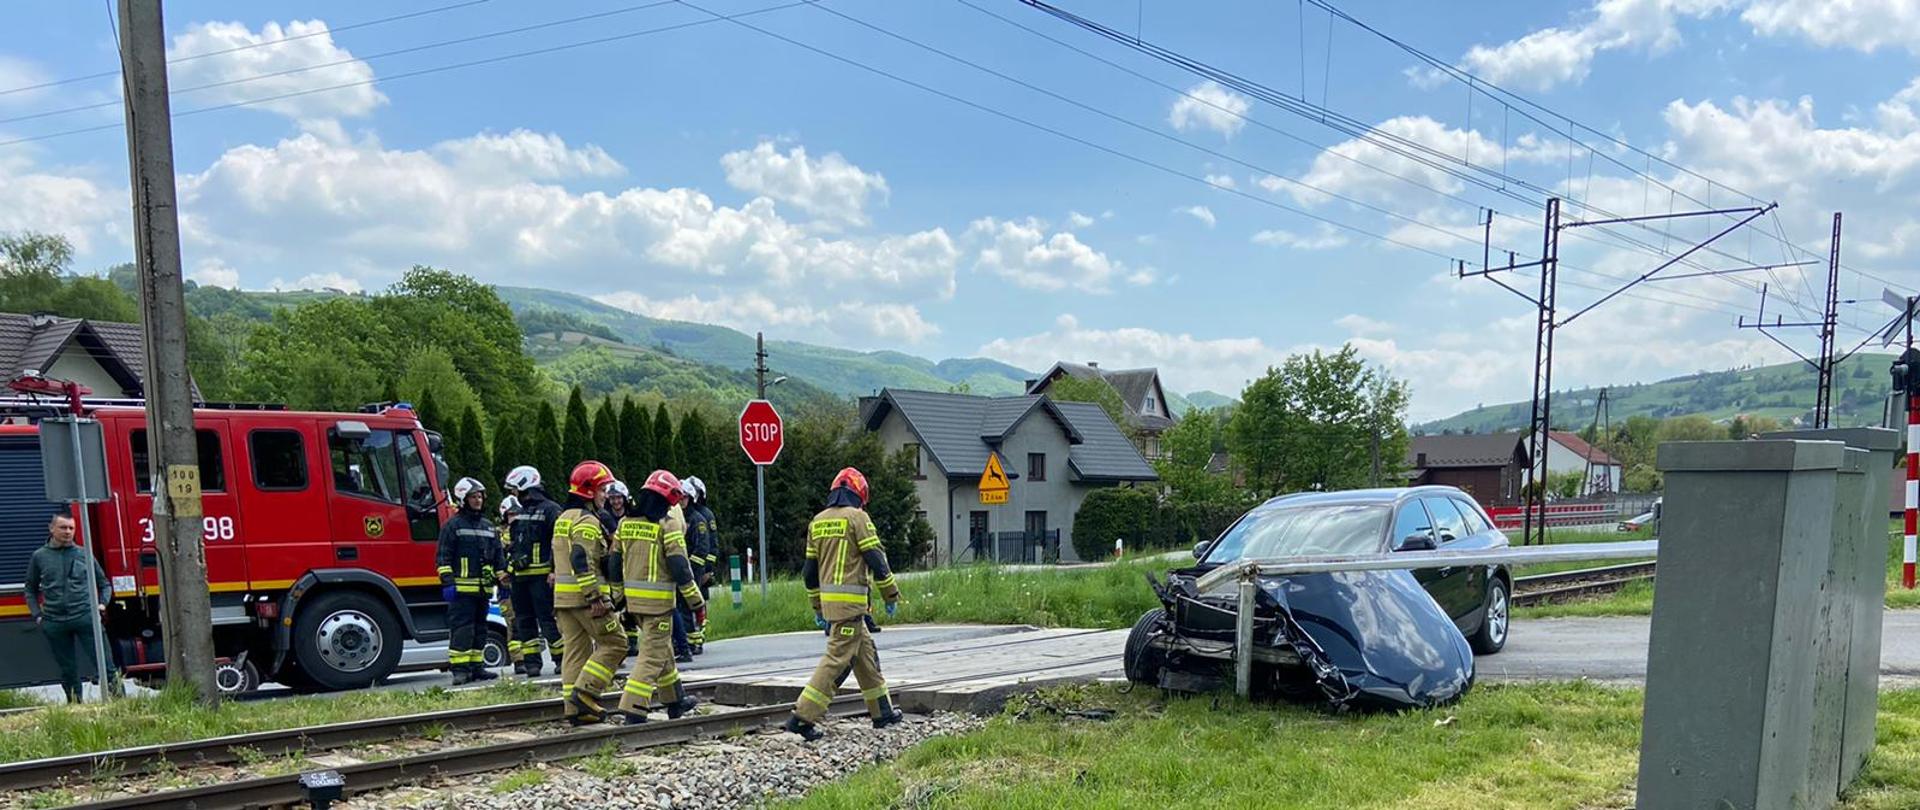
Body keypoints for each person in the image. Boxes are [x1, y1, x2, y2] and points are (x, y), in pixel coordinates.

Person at [784, 467, 904, 741]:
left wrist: (817, 607)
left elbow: (809, 572)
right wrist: (890, 594)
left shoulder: (818, 522)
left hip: (831, 606)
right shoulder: (857, 518)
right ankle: (801, 718)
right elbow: (875, 557)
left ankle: (882, 712)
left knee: (865, 656)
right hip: (851, 605)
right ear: (860, 494)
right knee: (836, 661)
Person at [614, 470, 705, 724]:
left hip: (633, 604)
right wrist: (696, 601)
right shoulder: (668, 524)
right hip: (658, 606)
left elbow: (614, 562)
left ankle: (676, 700)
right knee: (652, 657)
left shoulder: (625, 523)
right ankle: (633, 708)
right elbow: (680, 567)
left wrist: (618, 596)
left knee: (662, 650)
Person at [553, 461, 628, 725]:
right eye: (602, 490)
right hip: (585, 600)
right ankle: (586, 693)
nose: (605, 495)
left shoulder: (562, 519)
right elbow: (580, 556)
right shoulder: (586, 521)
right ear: (588, 491)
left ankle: (574, 710)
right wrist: (594, 596)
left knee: (575, 651)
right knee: (617, 642)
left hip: (563, 600)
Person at [24, 514, 111, 703]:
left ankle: (120, 704)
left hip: (85, 616)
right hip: (54, 621)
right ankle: (75, 706)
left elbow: (104, 583)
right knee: (68, 670)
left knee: (105, 665)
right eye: (63, 528)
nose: (68, 532)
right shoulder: (40, 556)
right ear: (52, 529)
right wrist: (37, 615)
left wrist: (102, 604)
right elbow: (30, 588)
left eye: (71, 528)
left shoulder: (84, 554)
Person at [438, 477, 508, 685]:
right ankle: (460, 670)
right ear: (462, 499)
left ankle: (477, 667)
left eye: (480, 497)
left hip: (483, 589)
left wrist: (503, 580)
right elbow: (443, 556)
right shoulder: (453, 526)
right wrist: (448, 582)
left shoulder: (488, 526)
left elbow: (498, 556)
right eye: (473, 497)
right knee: (462, 629)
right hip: (461, 590)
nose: (478, 501)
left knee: (481, 629)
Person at [504, 465, 562, 677]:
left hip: (542, 577)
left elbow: (559, 543)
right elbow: (515, 544)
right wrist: (510, 568)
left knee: (548, 619)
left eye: (514, 489)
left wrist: (555, 570)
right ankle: (532, 664)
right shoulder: (518, 511)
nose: (513, 493)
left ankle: (561, 659)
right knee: (524, 621)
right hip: (520, 579)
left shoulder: (550, 509)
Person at [605, 480, 641, 658]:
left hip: (630, 562)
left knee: (631, 603)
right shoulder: (604, 516)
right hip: (613, 563)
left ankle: (633, 641)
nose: (615, 502)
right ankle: (625, 640)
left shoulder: (631, 515)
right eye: (612, 498)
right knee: (617, 602)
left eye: (618, 498)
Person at [495, 495, 525, 674]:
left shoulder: (524, 532)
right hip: (507, 587)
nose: (514, 517)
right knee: (513, 625)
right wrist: (502, 575)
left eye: (517, 513)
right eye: (511, 514)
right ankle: (518, 660)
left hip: (523, 583)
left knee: (526, 622)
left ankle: (530, 657)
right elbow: (494, 560)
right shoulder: (497, 536)